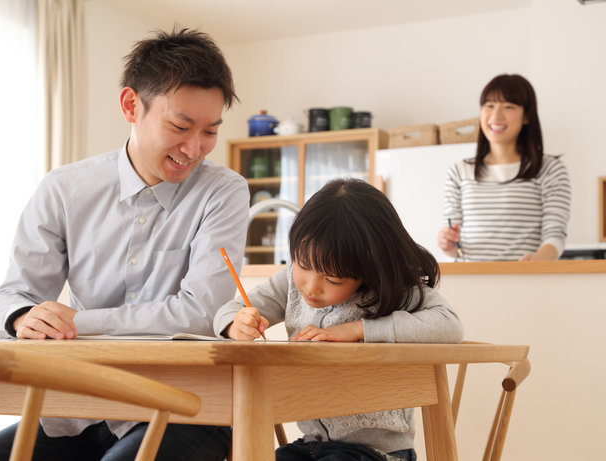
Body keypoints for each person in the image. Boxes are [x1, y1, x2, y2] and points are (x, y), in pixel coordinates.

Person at [0, 28, 249, 461]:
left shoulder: (223, 192)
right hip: (77, 410)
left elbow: (202, 313)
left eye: (210, 131)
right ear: (131, 105)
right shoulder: (64, 189)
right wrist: (26, 317)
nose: (194, 149)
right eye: (180, 126)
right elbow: (12, 296)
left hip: (189, 408)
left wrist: (76, 321)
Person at [214, 178, 464, 461]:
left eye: (332, 279)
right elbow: (230, 309)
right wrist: (235, 324)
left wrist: (359, 330)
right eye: (302, 265)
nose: (310, 287)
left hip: (379, 452)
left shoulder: (389, 290)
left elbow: (449, 324)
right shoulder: (290, 283)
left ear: (367, 268)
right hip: (310, 445)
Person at [437, 74, 571, 261]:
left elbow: (555, 235)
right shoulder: (459, 171)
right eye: (489, 106)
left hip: (524, 281)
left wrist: (537, 263)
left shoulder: (550, 170)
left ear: (526, 116)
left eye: (508, 107)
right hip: (472, 282)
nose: (496, 115)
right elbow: (455, 247)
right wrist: (448, 244)